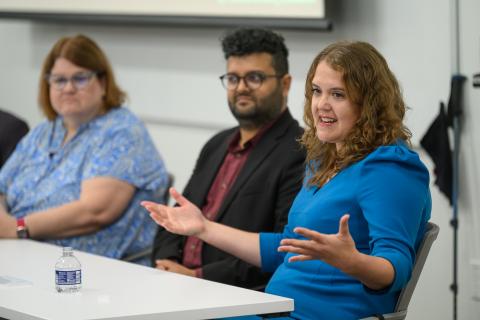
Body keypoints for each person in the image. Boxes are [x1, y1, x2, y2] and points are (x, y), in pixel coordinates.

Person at [142, 41, 432, 319]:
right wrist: (204, 228)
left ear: (369, 104)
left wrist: (351, 261)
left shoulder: (390, 167)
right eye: (317, 91)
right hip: (276, 309)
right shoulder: (323, 159)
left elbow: (397, 266)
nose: (322, 105)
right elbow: (286, 245)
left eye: (338, 95)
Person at [150, 28, 305, 289]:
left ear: (286, 83)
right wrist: (166, 264)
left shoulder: (300, 151)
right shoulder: (217, 144)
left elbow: (282, 250)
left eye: (254, 78)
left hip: (232, 295)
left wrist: (196, 277)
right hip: (174, 284)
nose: (241, 88)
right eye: (233, 78)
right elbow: (176, 217)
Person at [0, 34, 168, 265]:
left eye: (80, 79)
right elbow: (2, 187)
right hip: (23, 256)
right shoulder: (44, 132)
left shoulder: (121, 132)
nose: (68, 88)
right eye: (59, 80)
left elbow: (94, 212)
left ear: (103, 83)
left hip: (90, 273)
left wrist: (16, 228)